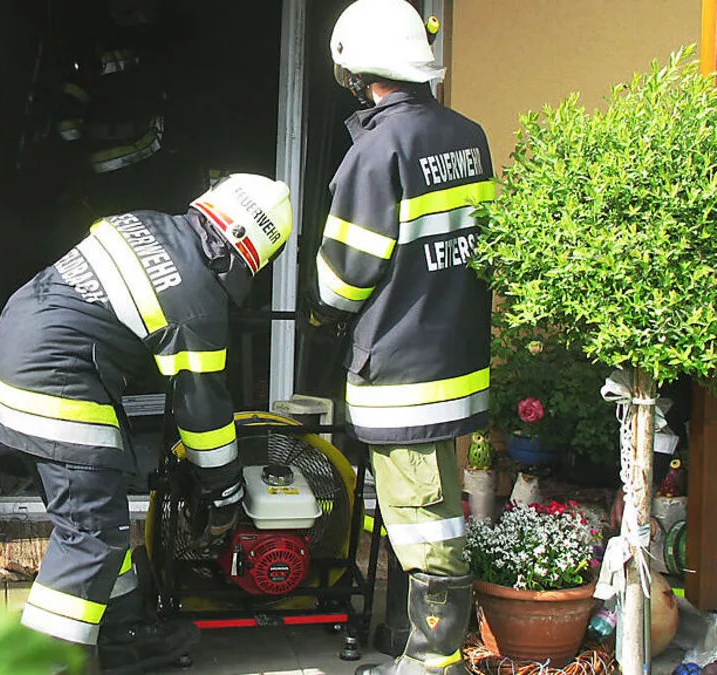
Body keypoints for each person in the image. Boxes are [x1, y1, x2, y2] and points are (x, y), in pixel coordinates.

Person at [0, 174, 292, 674]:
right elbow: (202, 409)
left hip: (17, 350)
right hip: (57, 381)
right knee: (91, 536)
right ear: (246, 252)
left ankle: (122, 626)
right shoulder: (197, 296)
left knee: (99, 519)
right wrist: (224, 489)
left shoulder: (147, 223)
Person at [307, 1, 495, 673]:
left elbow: (343, 279)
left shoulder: (377, 150)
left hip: (402, 377)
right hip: (455, 363)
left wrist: (321, 315)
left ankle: (432, 662)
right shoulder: (468, 135)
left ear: (359, 73)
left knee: (421, 524)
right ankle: (418, 648)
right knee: (434, 510)